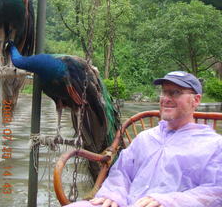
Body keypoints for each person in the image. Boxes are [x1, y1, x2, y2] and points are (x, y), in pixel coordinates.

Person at [67, 71, 222, 207]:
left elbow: (215, 191)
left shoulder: (213, 145)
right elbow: (121, 173)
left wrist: (171, 201)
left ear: (196, 100)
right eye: (164, 92)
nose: (166, 98)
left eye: (175, 93)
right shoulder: (145, 138)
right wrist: (113, 195)